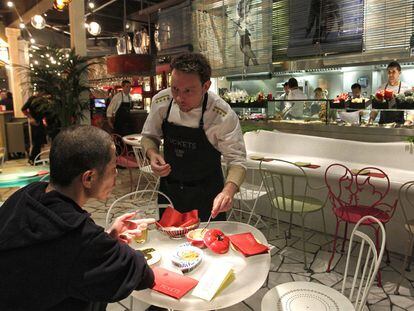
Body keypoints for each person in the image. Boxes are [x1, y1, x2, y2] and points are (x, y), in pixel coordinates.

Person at [0, 125, 155, 311]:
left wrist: (107, 239)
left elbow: (57, 259)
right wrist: (106, 246)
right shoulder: (78, 235)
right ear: (88, 178)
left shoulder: (25, 196)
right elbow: (142, 275)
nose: (115, 176)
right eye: (113, 168)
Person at [141, 53, 246, 222]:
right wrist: (152, 154)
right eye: (175, 89)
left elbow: (237, 162)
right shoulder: (162, 101)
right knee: (169, 242)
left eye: (188, 91)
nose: (179, 98)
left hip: (208, 194)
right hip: (170, 191)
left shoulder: (222, 114)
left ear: (206, 86)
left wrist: (228, 192)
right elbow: (148, 137)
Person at [21, 93, 47, 165]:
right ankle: (31, 158)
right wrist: (30, 118)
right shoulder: (32, 99)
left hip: (40, 121)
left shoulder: (43, 100)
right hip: (34, 121)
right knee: (36, 141)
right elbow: (23, 109)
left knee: (40, 141)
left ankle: (37, 158)